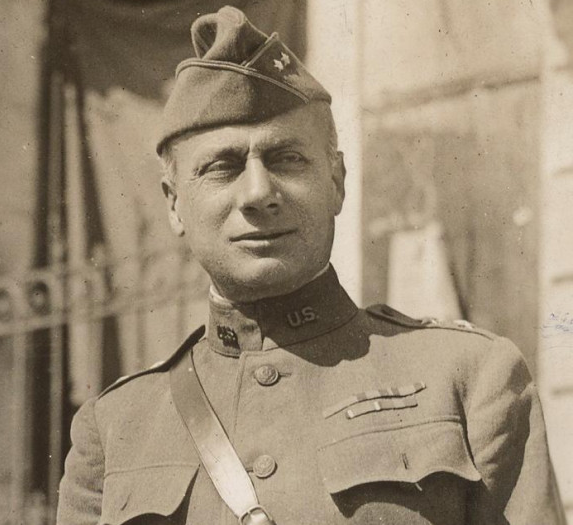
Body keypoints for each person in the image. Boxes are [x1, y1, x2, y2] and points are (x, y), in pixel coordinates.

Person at [56, 7, 565, 525]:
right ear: (173, 204)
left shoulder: (469, 379)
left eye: (286, 159)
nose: (258, 193)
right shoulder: (116, 428)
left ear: (337, 181)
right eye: (223, 167)